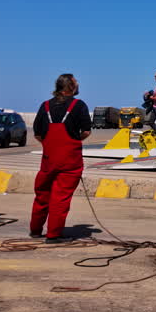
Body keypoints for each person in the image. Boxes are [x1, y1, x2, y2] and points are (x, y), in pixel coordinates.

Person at [30, 73, 92, 243]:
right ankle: (53, 235)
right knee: (60, 197)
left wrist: (50, 145)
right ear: (70, 87)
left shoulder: (45, 106)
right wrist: (73, 142)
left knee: (42, 194)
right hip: (69, 160)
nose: (78, 84)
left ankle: (35, 230)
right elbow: (86, 131)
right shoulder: (78, 106)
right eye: (76, 82)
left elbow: (37, 134)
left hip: (49, 159)